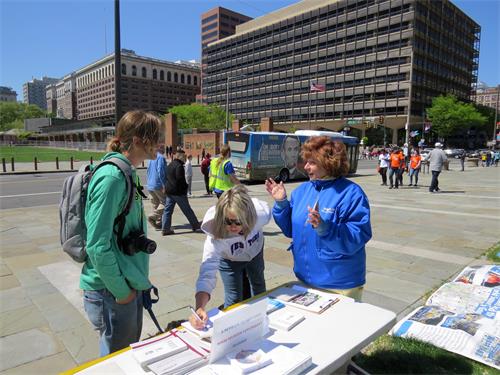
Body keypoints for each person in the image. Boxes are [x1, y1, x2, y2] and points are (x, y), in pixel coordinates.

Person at [80, 110, 161, 356]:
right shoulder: (113, 177)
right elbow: (96, 245)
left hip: (124, 284)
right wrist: (123, 293)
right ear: (137, 141)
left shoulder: (126, 172)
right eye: (156, 138)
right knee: (117, 362)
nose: (161, 144)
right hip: (112, 290)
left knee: (124, 355)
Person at [265, 136, 371, 302]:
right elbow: (290, 230)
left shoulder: (351, 193)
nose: (306, 166)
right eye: (306, 161)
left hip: (339, 284)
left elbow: (358, 236)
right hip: (305, 278)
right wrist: (281, 203)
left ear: (329, 162)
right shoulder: (302, 191)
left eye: (312, 162)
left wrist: (325, 228)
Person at [189, 185, 271, 328]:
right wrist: (199, 307)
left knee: (258, 285)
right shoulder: (216, 236)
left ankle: (261, 321)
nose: (233, 227)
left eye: (238, 221)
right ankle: (232, 330)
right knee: (233, 297)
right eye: (228, 221)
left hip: (255, 251)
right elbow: (207, 272)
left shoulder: (262, 214)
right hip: (230, 260)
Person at [162, 149, 200, 235]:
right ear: (180, 156)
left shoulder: (170, 165)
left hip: (169, 192)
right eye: (184, 156)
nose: (185, 158)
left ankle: (165, 229)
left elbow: (166, 178)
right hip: (178, 192)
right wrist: (186, 187)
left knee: (167, 210)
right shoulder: (179, 166)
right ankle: (196, 225)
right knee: (187, 209)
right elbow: (180, 180)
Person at [146, 146, 167, 230]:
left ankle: (158, 223)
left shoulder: (152, 157)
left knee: (156, 203)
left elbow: (148, 170)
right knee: (165, 202)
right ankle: (153, 217)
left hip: (150, 184)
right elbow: (160, 170)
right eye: (163, 147)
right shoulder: (161, 157)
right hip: (158, 184)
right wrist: (164, 184)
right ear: (160, 149)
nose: (164, 149)